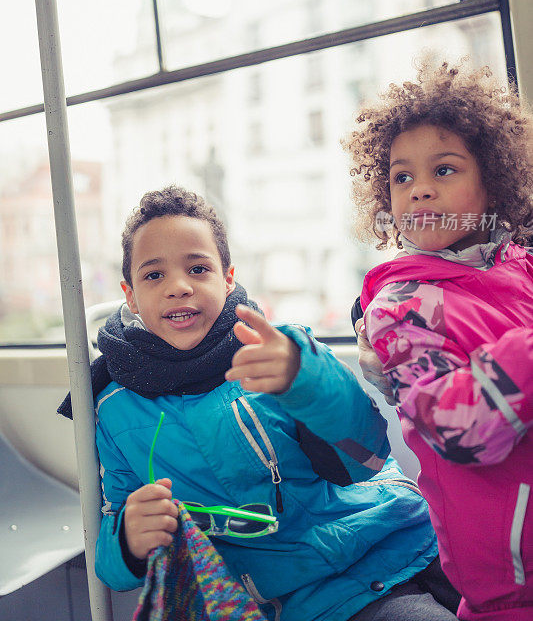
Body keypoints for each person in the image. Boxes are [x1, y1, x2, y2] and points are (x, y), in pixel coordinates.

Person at [59, 185, 460, 621]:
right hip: (291, 600)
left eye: (197, 268)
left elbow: (364, 459)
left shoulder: (278, 350)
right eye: (154, 275)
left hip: (390, 545)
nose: (178, 287)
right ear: (130, 295)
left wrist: (305, 378)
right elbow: (114, 547)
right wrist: (128, 542)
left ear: (227, 278)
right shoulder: (115, 407)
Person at [343, 59, 533, 621]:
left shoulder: (522, 269)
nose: (420, 190)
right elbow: (460, 430)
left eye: (444, 170)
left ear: (491, 182)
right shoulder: (401, 311)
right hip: (511, 585)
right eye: (402, 178)